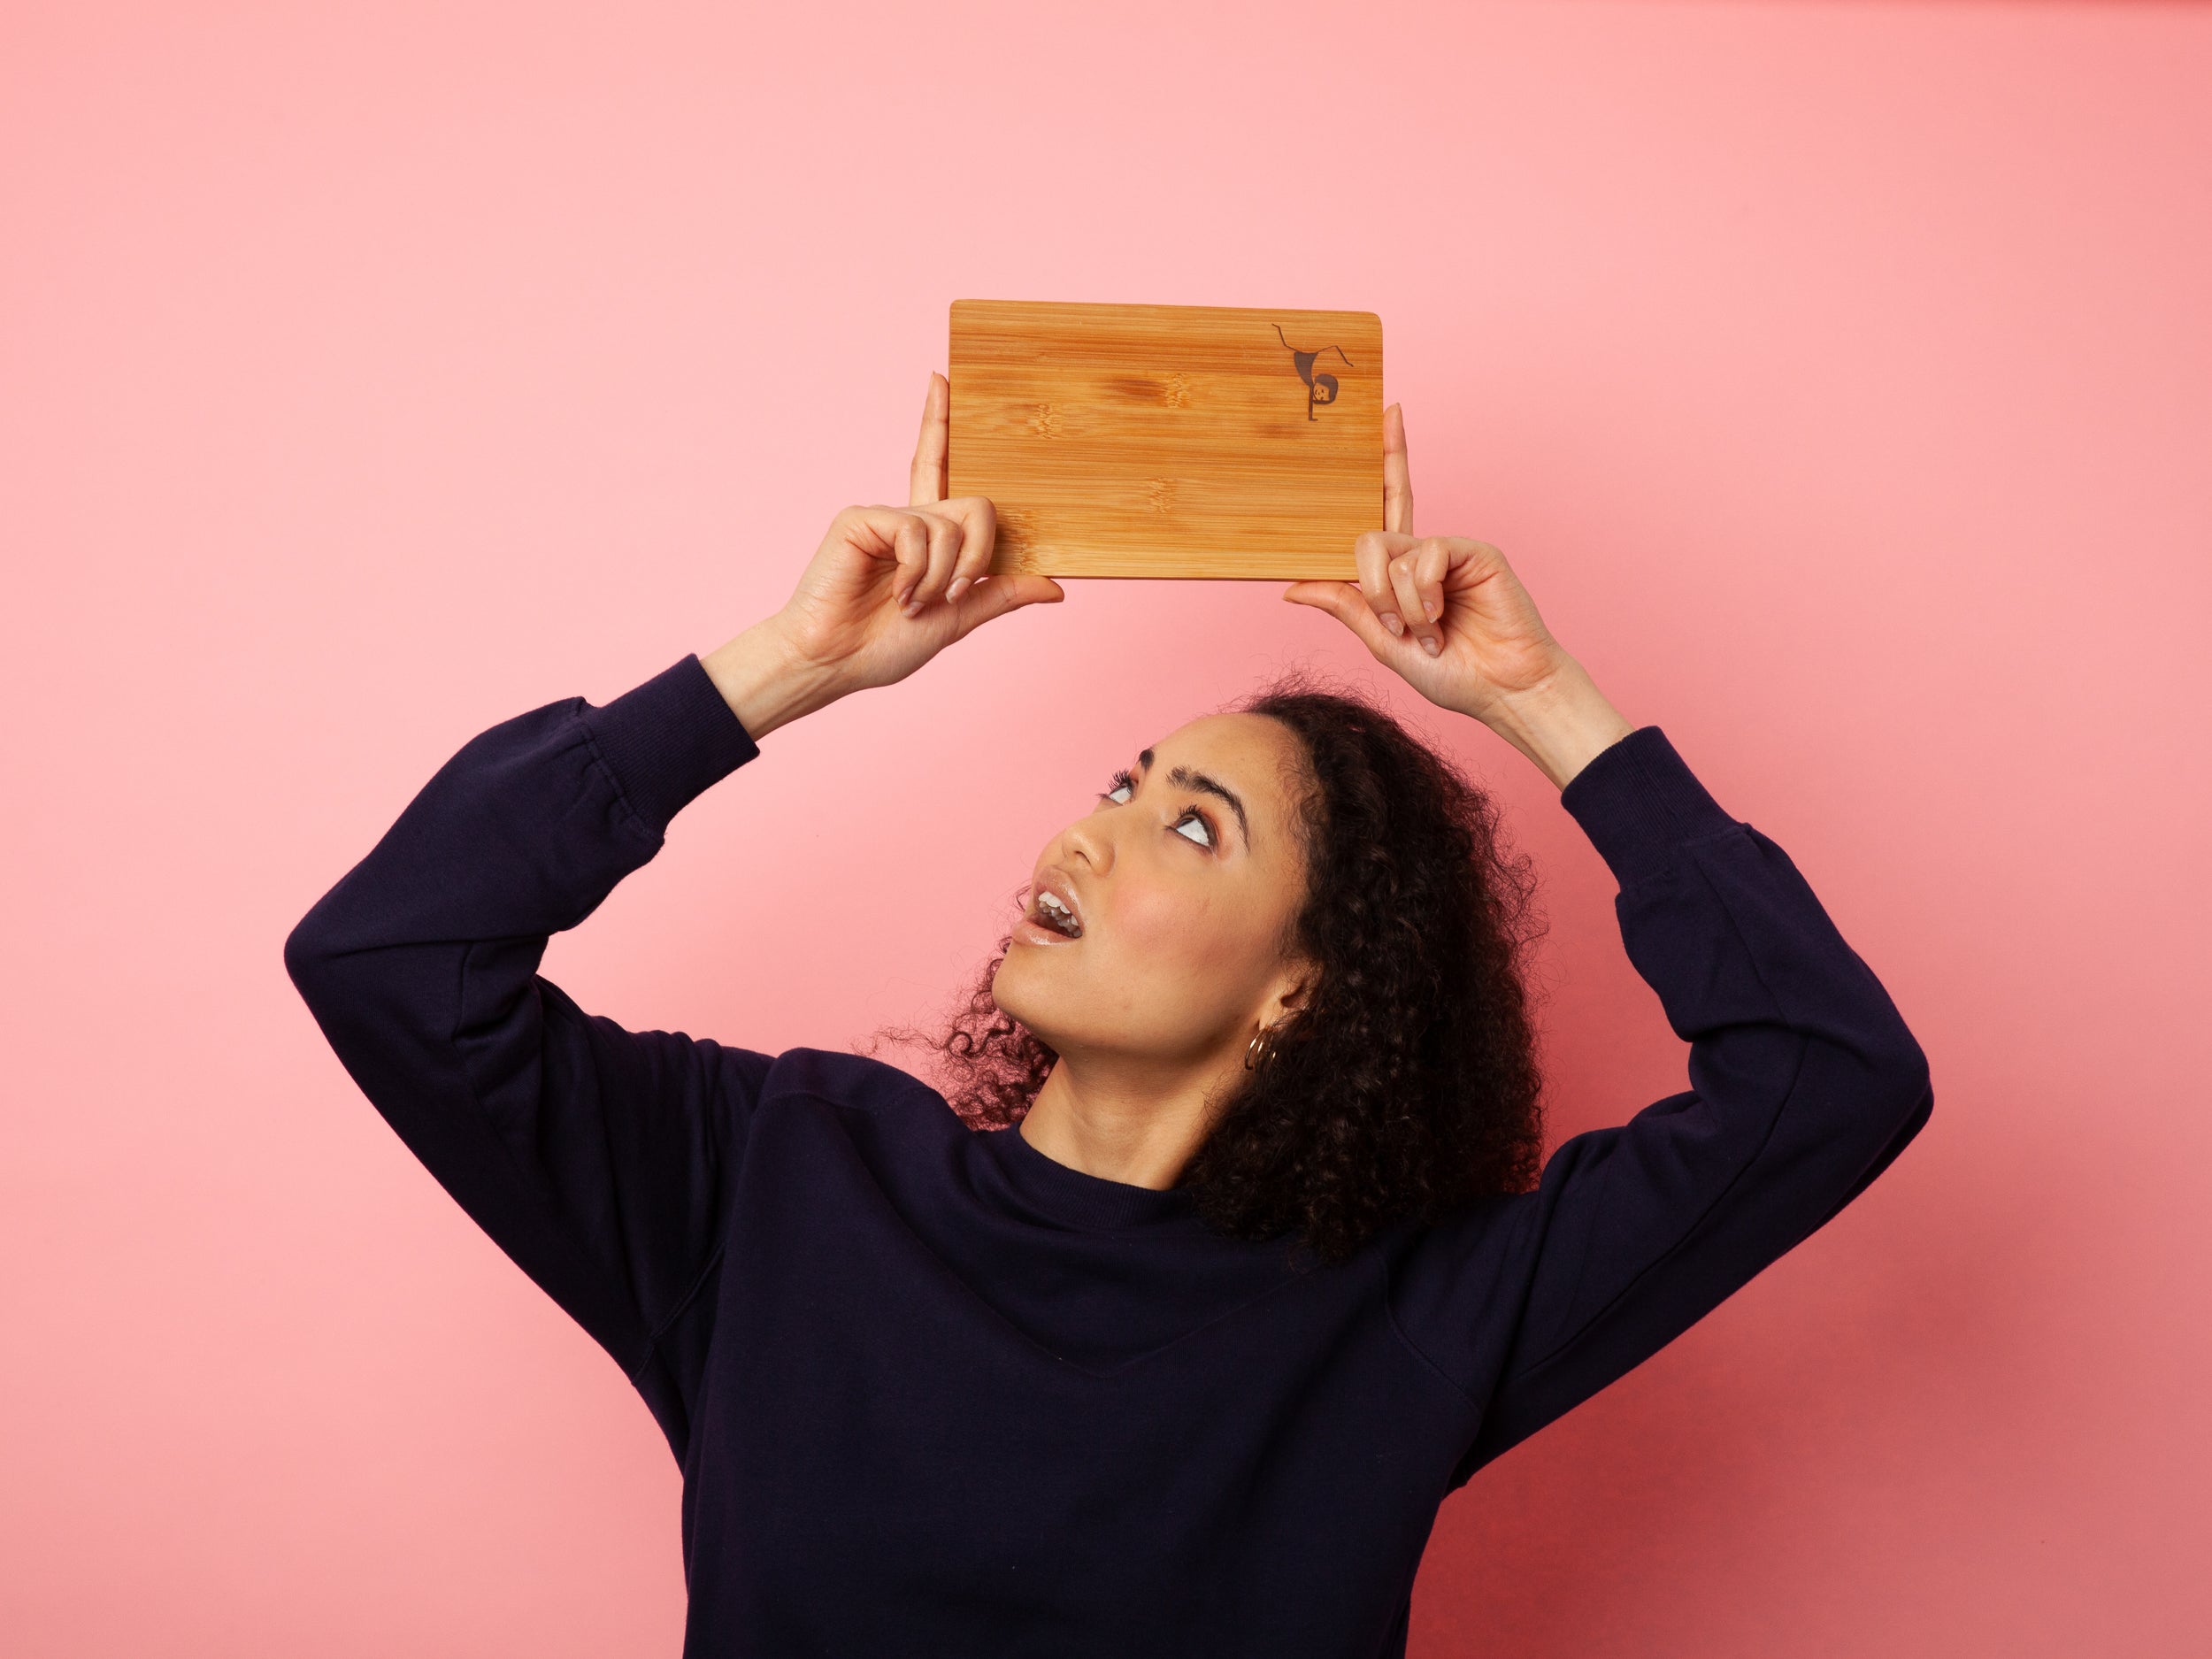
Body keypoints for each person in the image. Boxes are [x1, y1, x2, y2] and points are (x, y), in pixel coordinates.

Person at [285, 373, 1932, 1657]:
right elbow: (389, 959)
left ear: (1304, 987)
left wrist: (1540, 701)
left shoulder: (1414, 1313)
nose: (1084, 832)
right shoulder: (774, 1180)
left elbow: (1834, 1076)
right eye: (1119, 787)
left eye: (1191, 823)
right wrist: (788, 667)